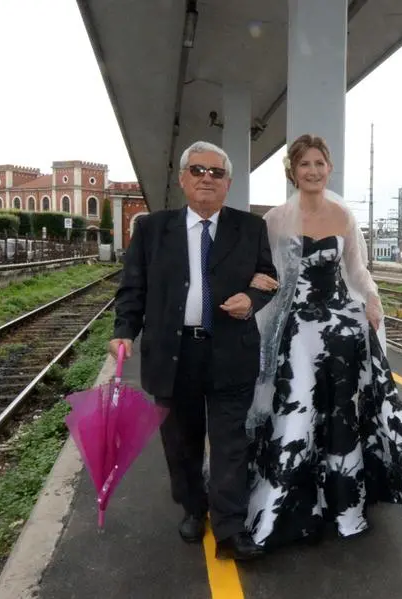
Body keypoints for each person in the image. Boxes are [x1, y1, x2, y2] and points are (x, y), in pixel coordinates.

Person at [245, 134, 402, 550]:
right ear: (292, 172)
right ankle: (283, 508)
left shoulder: (344, 216)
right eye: (304, 165)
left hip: (341, 329)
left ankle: (344, 506)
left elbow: (358, 271)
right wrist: (258, 285)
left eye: (319, 163)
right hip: (297, 329)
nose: (313, 171)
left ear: (328, 168)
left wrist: (371, 300)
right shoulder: (275, 220)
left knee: (341, 414)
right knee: (296, 411)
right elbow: (268, 273)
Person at [109, 141, 278, 561]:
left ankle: (230, 527)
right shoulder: (152, 229)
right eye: (198, 170)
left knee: (229, 445)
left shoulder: (250, 228)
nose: (207, 178)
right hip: (173, 355)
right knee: (181, 444)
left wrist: (251, 301)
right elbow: (134, 288)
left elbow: (266, 277)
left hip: (230, 351)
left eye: (216, 173)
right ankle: (192, 507)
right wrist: (124, 331)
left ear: (228, 184)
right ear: (183, 179)